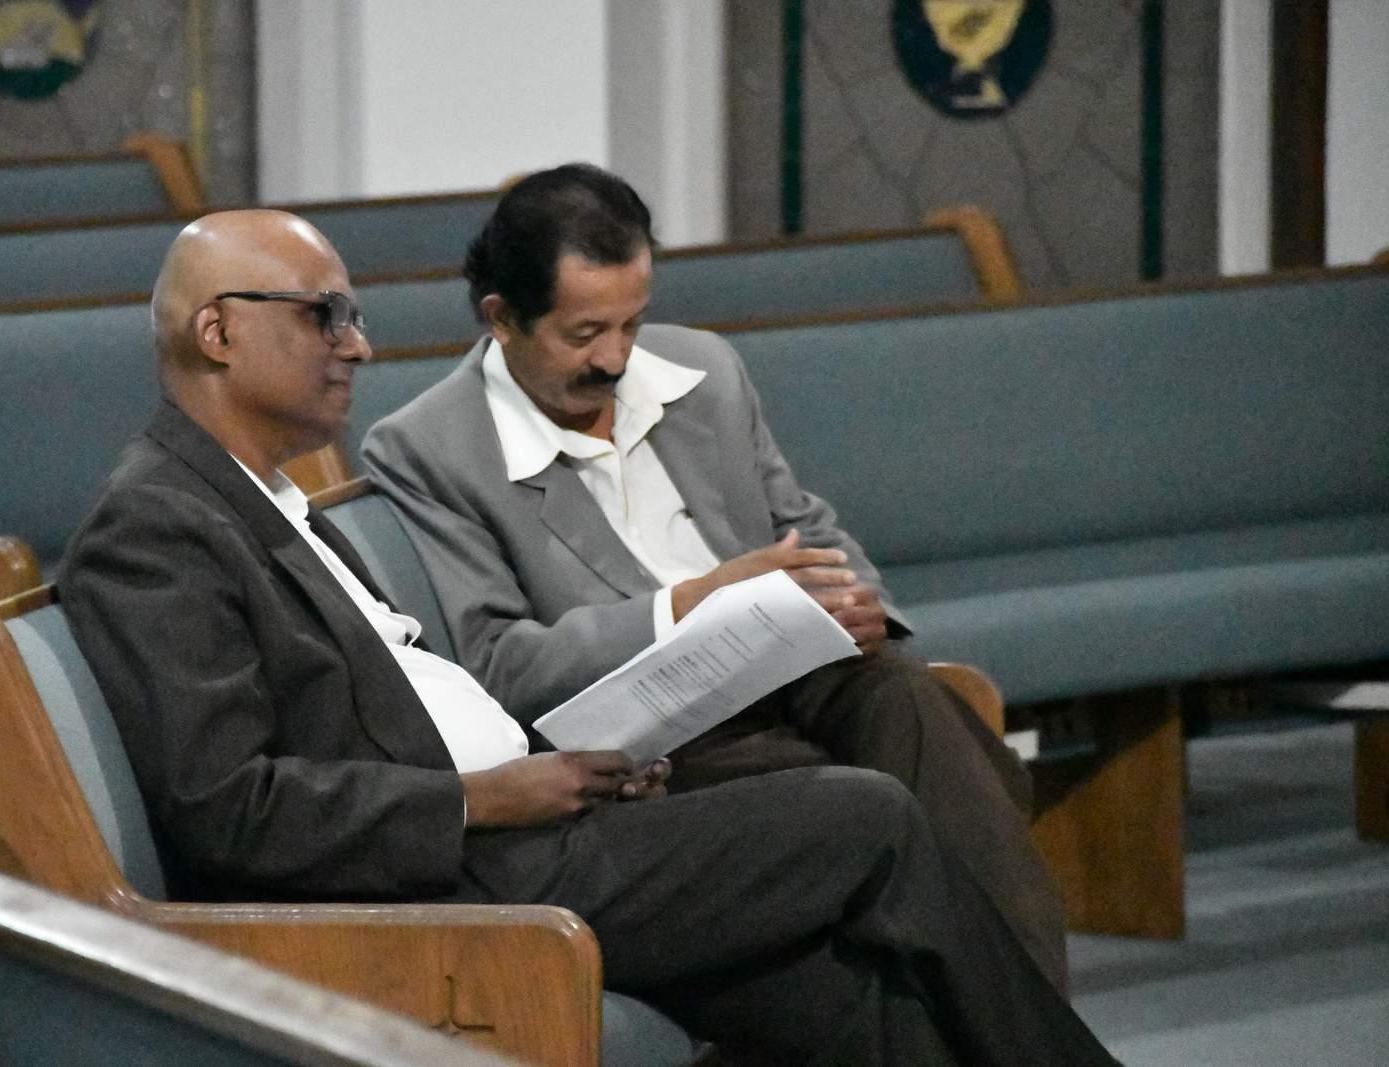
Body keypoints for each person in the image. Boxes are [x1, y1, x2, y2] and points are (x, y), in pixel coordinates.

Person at [60, 208, 1116, 1066]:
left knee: (860, 1001)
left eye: (354, 316)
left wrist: (561, 767)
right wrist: (485, 795)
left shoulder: (267, 497)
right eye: (325, 315)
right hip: (441, 884)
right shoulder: (156, 523)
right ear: (217, 332)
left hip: (524, 824)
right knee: (865, 814)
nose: (358, 345)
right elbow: (225, 809)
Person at [361, 163, 1069, 991]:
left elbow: (804, 522)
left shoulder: (703, 370)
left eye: (632, 322)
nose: (615, 357)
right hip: (660, 734)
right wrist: (697, 600)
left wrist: (858, 601)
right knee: (900, 796)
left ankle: (1023, 1022)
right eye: (584, 333)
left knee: (914, 703)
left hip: (796, 667)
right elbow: (499, 662)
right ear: (502, 318)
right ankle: (1008, 1026)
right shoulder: (431, 446)